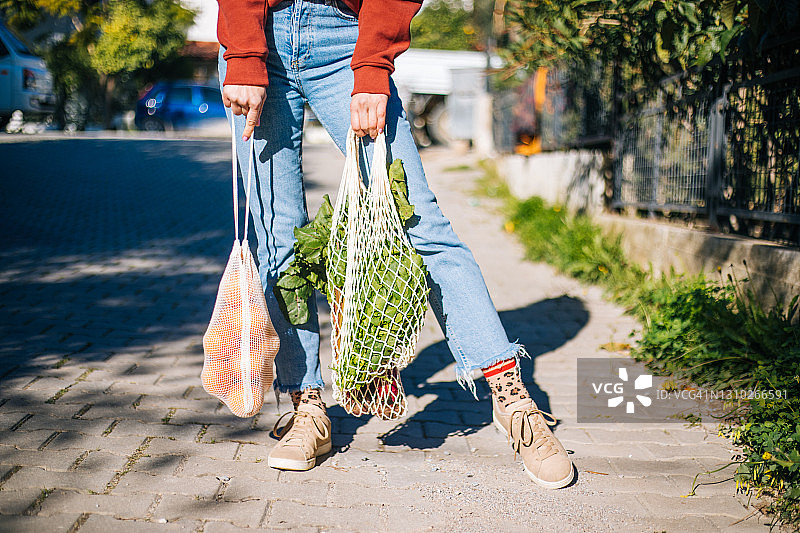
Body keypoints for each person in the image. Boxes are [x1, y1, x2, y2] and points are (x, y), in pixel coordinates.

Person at [216, 0, 574, 488]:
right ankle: (307, 408)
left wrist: (371, 66)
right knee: (277, 239)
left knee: (419, 223)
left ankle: (513, 400)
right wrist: (242, 53)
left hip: (345, 41)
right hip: (259, 39)